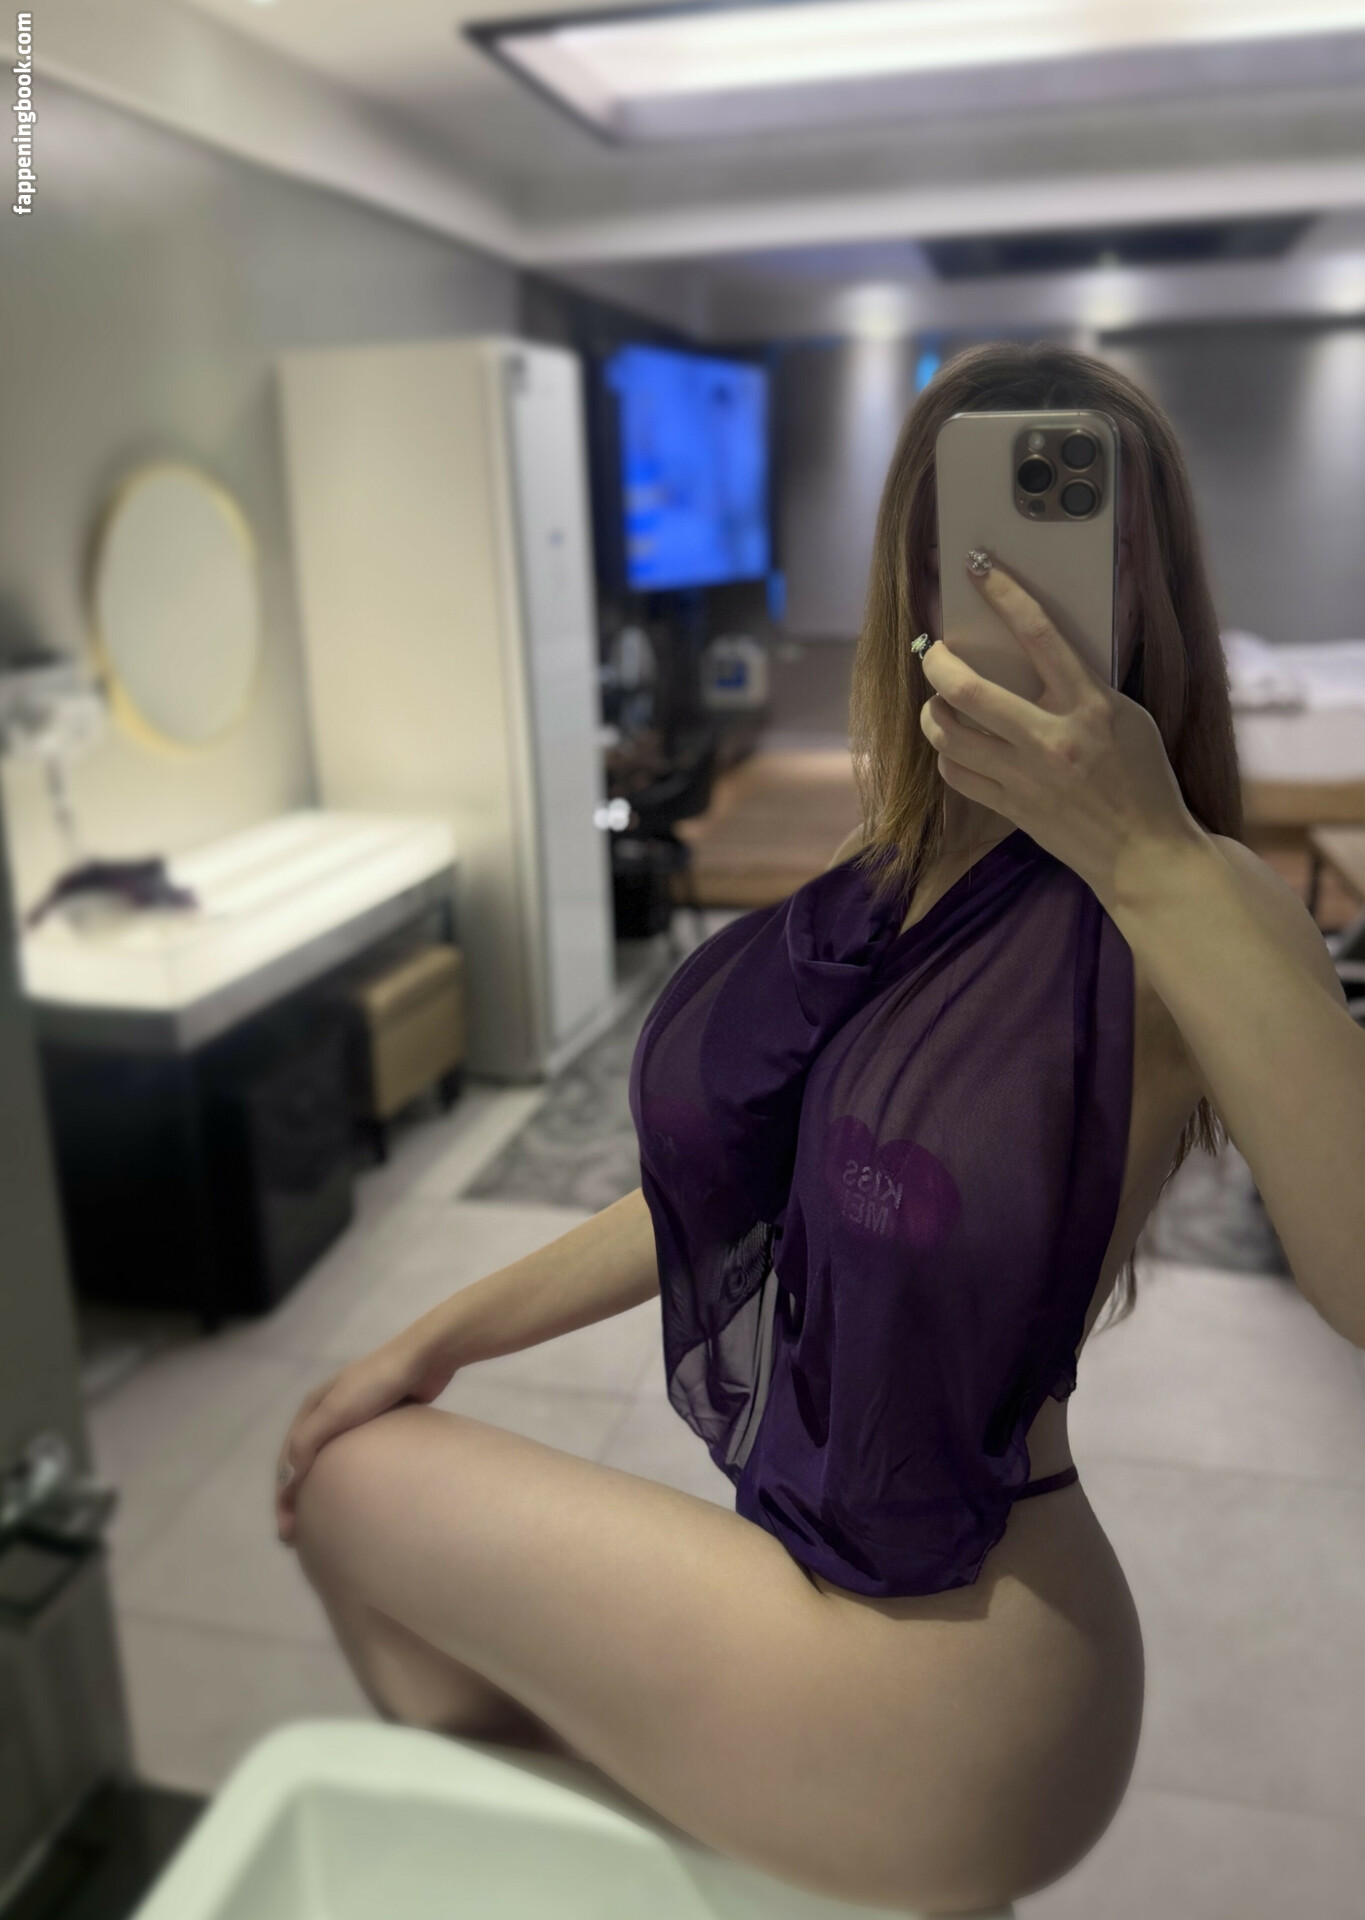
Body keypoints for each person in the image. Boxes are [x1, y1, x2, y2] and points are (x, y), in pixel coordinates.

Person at [274, 342, 1363, 1916]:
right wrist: (427, 1341)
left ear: (1151, 590)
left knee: (355, 1493)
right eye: (957, 545)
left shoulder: (1191, 904)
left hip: (963, 1667)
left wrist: (1148, 857)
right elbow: (723, 1195)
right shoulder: (890, 882)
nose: (1009, 589)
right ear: (907, 584)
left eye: (1073, 540)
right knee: (375, 1465)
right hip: (844, 1601)